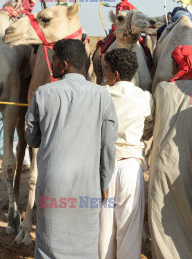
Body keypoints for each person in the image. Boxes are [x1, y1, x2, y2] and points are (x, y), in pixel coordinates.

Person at [25, 39, 118, 259]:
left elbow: (32, 137)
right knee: (85, 245)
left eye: (54, 60)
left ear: (64, 65)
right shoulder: (103, 95)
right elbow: (107, 146)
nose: (52, 65)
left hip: (52, 183)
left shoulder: (43, 93)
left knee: (48, 244)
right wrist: (104, 183)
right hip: (88, 184)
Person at [147, 45, 192, 259]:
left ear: (180, 65)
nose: (169, 67)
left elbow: (148, 128)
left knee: (162, 221)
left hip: (161, 166)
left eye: (173, 63)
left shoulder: (161, 90)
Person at [98, 48, 153, 259]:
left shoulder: (100, 94)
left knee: (103, 230)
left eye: (106, 70)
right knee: (129, 229)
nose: (104, 74)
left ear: (116, 74)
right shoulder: (145, 98)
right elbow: (149, 126)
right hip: (131, 167)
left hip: (103, 167)